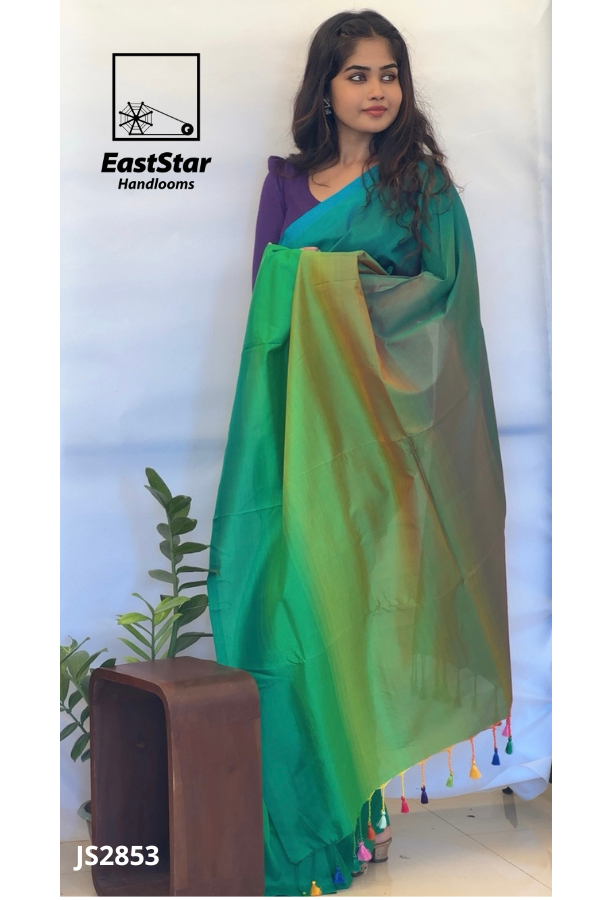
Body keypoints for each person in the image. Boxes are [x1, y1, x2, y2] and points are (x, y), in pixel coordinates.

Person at [207, 9, 512, 897]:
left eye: (389, 74)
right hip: (303, 442)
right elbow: (269, 308)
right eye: (357, 75)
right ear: (325, 88)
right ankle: (320, 810)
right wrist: (324, 290)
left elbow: (445, 307)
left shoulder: (422, 187)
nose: (377, 90)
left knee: (373, 617)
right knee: (305, 611)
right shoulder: (286, 185)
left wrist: (344, 294)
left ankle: (366, 805)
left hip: (389, 449)